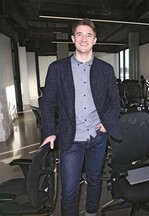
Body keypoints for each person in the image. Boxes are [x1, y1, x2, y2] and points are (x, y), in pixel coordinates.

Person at [40, 18, 122, 216]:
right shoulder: (57, 69)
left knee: (95, 180)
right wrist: (50, 131)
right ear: (72, 38)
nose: (84, 39)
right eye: (79, 34)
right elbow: (48, 102)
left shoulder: (105, 70)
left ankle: (91, 213)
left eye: (88, 35)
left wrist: (106, 123)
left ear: (95, 40)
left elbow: (115, 101)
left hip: (97, 137)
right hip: (71, 139)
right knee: (69, 190)